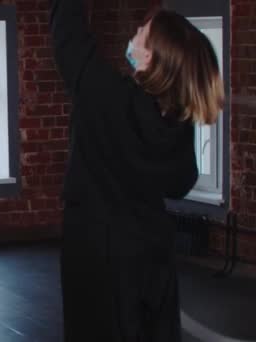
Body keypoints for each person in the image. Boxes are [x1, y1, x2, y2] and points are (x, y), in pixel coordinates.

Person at [49, 0, 224, 341]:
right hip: (151, 250)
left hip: (97, 251)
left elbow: (66, 32)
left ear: (150, 59)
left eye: (142, 33)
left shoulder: (104, 95)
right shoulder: (177, 124)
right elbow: (180, 182)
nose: (134, 35)